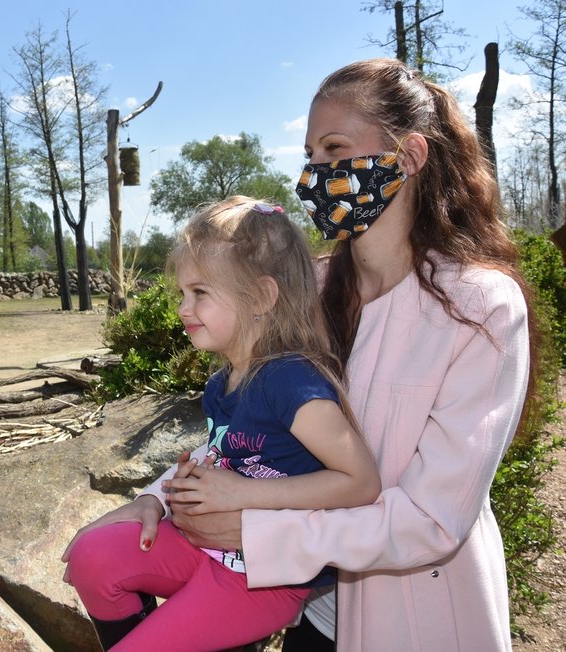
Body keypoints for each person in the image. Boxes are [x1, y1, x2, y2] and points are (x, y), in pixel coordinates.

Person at [164, 58, 534, 651]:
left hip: (417, 619)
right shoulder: (303, 290)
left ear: (409, 157)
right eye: (311, 155)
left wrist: (262, 534)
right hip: (314, 617)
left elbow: (432, 519)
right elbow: (243, 430)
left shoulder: (479, 307)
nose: (316, 173)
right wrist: (157, 501)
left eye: (335, 148)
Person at [62, 195, 382, 651]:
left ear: (261, 298)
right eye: (182, 294)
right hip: (208, 549)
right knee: (92, 557)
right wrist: (157, 499)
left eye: (200, 294)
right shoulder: (221, 384)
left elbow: (361, 481)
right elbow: (228, 461)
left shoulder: (290, 380)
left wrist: (246, 494)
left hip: (264, 576)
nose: (182, 309)